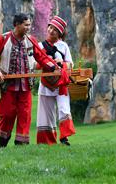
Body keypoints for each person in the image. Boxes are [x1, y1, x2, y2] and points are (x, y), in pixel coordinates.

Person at [0, 13, 59, 147]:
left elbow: (41, 57)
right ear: (17, 25)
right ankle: (2, 145)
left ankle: (21, 146)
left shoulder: (31, 40)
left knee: (25, 116)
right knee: (7, 114)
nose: (28, 28)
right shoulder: (3, 39)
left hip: (26, 86)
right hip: (8, 86)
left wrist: (53, 67)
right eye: (26, 25)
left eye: (29, 24)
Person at [36, 15, 76, 145]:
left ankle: (64, 137)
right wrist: (45, 62)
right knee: (46, 113)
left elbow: (70, 64)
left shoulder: (63, 46)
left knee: (64, 109)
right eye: (50, 27)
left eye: (55, 29)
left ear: (60, 33)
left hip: (61, 83)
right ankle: (47, 141)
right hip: (46, 82)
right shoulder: (40, 46)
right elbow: (35, 65)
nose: (51, 31)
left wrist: (61, 62)